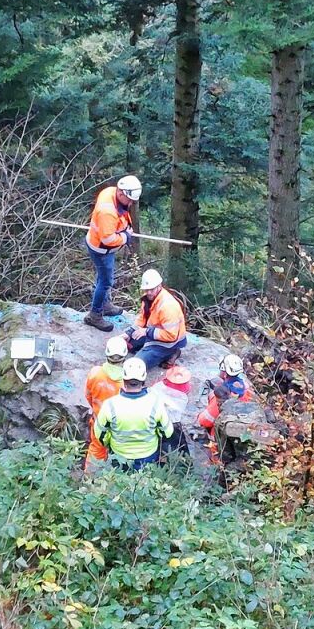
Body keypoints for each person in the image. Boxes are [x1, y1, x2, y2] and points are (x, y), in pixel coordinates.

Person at [84, 175, 142, 332]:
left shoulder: (111, 192)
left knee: (103, 278)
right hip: (102, 249)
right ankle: (94, 315)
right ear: (121, 193)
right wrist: (125, 237)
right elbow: (108, 238)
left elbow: (117, 220)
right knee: (105, 281)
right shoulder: (107, 212)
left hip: (100, 246)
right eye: (129, 200)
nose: (130, 204)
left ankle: (105, 304)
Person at [94, 358, 173, 471]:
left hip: (119, 454)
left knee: (120, 485)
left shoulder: (110, 405)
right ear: (144, 378)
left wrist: (111, 443)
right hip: (148, 455)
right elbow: (166, 432)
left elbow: (100, 434)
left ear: (123, 378)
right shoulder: (155, 403)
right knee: (145, 484)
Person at [125, 268, 187, 368]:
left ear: (159, 286)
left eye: (151, 289)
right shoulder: (148, 298)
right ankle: (159, 351)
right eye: (146, 289)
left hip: (169, 343)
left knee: (137, 365)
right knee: (128, 345)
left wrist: (146, 332)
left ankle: (171, 352)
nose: (148, 292)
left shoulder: (168, 306)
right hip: (153, 333)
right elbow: (142, 318)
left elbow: (171, 336)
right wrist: (129, 333)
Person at [83, 335, 128, 471]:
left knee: (96, 450)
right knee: (118, 455)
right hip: (120, 427)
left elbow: (88, 395)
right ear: (124, 357)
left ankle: (89, 480)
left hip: (99, 423)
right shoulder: (127, 382)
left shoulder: (95, 373)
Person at [197, 354, 254, 434]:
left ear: (224, 373)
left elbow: (204, 421)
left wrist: (198, 416)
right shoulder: (245, 388)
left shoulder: (220, 399)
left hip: (221, 437)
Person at [150, 365, 191, 457]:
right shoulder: (182, 398)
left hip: (156, 420)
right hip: (173, 424)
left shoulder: (157, 387)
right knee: (179, 448)